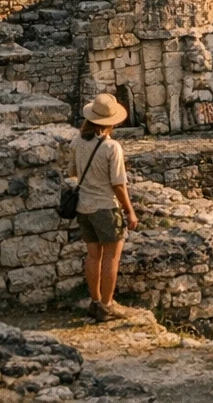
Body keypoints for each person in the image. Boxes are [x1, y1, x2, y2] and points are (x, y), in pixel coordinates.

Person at [68, 93, 139, 321]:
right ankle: (108, 305)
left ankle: (96, 301)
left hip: (83, 206)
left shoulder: (77, 142)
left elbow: (73, 172)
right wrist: (130, 211)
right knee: (111, 258)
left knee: (93, 256)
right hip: (105, 207)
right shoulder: (112, 147)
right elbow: (118, 184)